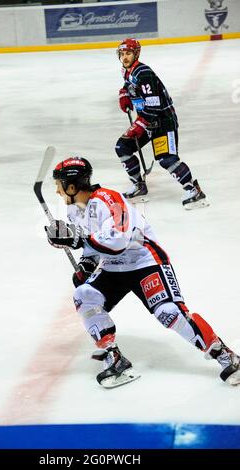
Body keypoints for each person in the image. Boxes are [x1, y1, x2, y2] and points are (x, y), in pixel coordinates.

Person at [44, 156, 240, 388]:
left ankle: (227, 357)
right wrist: (86, 265)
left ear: (72, 186)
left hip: (144, 262)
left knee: (169, 312)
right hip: (113, 267)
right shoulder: (75, 211)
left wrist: (76, 239)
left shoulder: (109, 200)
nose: (57, 191)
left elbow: (117, 241)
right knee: (84, 296)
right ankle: (115, 360)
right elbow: (93, 247)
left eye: (58, 185)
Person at [116, 38, 208, 209]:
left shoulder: (143, 72)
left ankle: (194, 191)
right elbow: (129, 84)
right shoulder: (128, 70)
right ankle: (139, 186)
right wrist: (124, 93)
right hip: (147, 121)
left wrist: (139, 125)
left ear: (136, 54)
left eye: (128, 53)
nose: (124, 57)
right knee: (123, 147)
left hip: (163, 122)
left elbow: (154, 104)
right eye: (122, 54)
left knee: (166, 159)